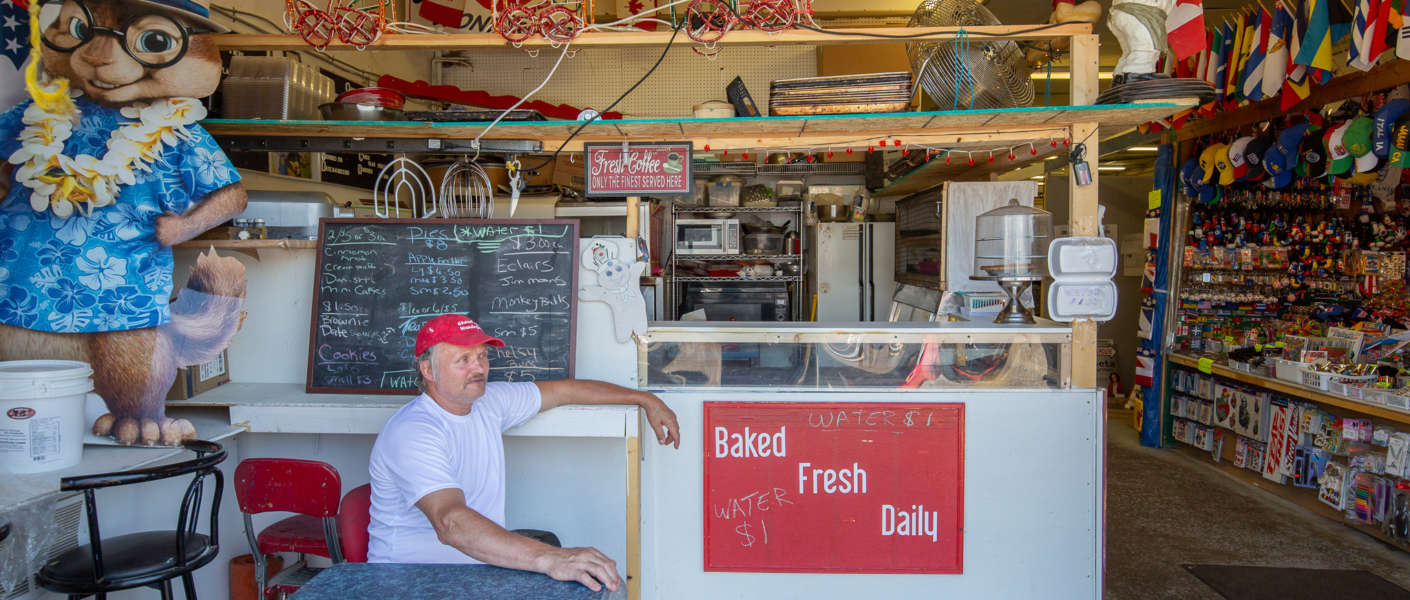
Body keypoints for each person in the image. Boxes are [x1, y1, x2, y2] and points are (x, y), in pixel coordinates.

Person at [368, 314, 681, 593]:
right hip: (409, 582)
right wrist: (552, 558)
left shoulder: (487, 403)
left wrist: (645, 398)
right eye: (462, 360)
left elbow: (564, 391)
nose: (478, 368)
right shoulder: (414, 430)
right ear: (428, 370)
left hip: (475, 574)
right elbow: (450, 523)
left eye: (482, 356)